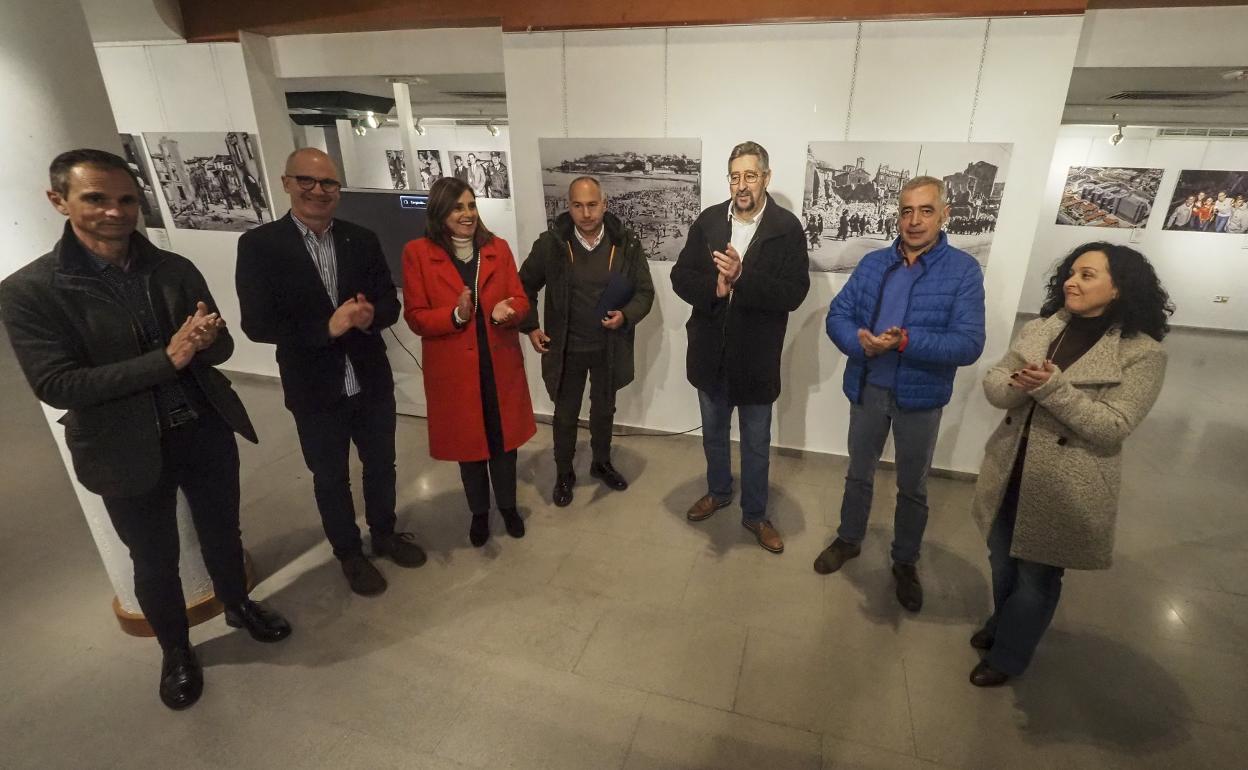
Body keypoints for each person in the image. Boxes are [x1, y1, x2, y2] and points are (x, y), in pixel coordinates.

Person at [0, 149, 292, 711]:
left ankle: (238, 604)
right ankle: (177, 651)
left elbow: (222, 345)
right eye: (96, 199)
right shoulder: (30, 290)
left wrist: (207, 343)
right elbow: (58, 384)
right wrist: (171, 357)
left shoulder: (172, 268)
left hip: (202, 427)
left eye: (126, 199)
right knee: (152, 558)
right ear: (59, 200)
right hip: (122, 448)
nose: (115, 211)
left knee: (223, 531)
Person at [967, 242, 1171, 686]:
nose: (1071, 282)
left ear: (1119, 289)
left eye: (1087, 275)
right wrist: (1020, 384)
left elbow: (1112, 426)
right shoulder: (1045, 327)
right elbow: (997, 386)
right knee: (1001, 561)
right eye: (1071, 272)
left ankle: (1009, 658)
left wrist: (1051, 389)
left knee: (1037, 578)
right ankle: (1004, 624)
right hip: (1011, 469)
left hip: (1066, 483)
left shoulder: (1142, 354)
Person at [236, 148, 426, 597]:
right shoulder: (261, 246)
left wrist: (368, 316)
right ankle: (349, 553)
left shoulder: (361, 238)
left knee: (382, 463)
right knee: (330, 475)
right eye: (307, 181)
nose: (318, 191)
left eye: (328, 184)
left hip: (370, 379)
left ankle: (383, 533)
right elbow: (257, 324)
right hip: (313, 386)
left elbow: (389, 304)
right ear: (286, 182)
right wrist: (327, 327)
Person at [817, 176, 986, 612]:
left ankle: (905, 561)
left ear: (944, 214)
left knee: (913, 486)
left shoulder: (962, 271)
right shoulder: (874, 263)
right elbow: (839, 314)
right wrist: (860, 341)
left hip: (921, 396)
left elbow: (969, 343)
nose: (914, 221)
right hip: (869, 386)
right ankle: (849, 538)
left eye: (926, 210)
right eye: (907, 210)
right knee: (859, 472)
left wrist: (905, 342)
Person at [671, 141, 809, 553]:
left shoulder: (786, 228)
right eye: (735, 176)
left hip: (757, 360)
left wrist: (743, 276)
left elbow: (794, 292)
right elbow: (681, 276)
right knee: (713, 436)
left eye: (750, 175)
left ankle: (755, 514)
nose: (742, 184)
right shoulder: (710, 221)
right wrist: (714, 287)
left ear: (766, 178)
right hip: (710, 355)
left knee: (755, 443)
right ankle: (718, 491)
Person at [402, 177, 536, 546]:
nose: (467, 214)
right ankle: (479, 513)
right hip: (455, 373)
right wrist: (456, 316)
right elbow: (414, 316)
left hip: (499, 366)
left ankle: (507, 507)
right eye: (458, 207)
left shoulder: (498, 248)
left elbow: (521, 301)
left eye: (471, 205)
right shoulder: (417, 253)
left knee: (503, 443)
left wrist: (507, 312)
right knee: (470, 447)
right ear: (440, 212)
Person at [519, 176, 655, 506]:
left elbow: (644, 292)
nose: (586, 213)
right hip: (566, 348)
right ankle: (564, 472)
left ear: (604, 204)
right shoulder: (551, 244)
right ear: (569, 207)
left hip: (609, 347)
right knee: (565, 414)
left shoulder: (627, 243)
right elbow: (523, 285)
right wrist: (531, 326)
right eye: (578, 206)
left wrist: (625, 315)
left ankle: (601, 462)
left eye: (592, 205)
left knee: (604, 410)